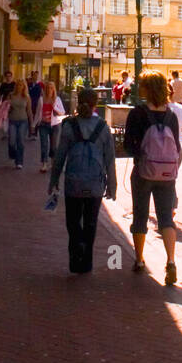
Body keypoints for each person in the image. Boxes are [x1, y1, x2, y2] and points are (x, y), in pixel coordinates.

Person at [123, 70, 182, 285]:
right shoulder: (171, 115)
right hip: (167, 173)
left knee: (140, 215)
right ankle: (171, 261)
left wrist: (139, 155)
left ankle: (139, 260)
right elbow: (176, 144)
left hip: (144, 171)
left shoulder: (138, 113)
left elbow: (129, 145)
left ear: (147, 88)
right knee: (166, 218)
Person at [49, 88, 116, 274]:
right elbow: (110, 159)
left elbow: (60, 155)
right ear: (96, 104)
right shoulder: (103, 127)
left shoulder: (69, 125)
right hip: (95, 183)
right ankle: (86, 264)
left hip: (73, 182)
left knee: (72, 221)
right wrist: (112, 186)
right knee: (91, 222)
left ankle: (76, 254)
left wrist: (53, 180)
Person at [33, 79, 66, 170]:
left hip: (55, 125)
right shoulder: (41, 99)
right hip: (43, 124)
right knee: (44, 144)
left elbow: (62, 112)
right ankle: (44, 164)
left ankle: (53, 161)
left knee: (54, 145)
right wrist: (33, 124)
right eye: (48, 88)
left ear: (54, 89)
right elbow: (38, 113)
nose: (49, 90)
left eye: (51, 88)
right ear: (45, 89)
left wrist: (54, 106)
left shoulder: (57, 99)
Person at [7, 77, 33, 168]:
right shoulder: (11, 95)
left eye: (21, 85)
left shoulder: (27, 97)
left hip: (23, 121)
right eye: (18, 85)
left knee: (21, 141)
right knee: (12, 141)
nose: (19, 87)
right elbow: (6, 107)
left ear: (24, 87)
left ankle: (19, 162)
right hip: (12, 120)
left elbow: (29, 111)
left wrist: (32, 124)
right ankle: (12, 154)